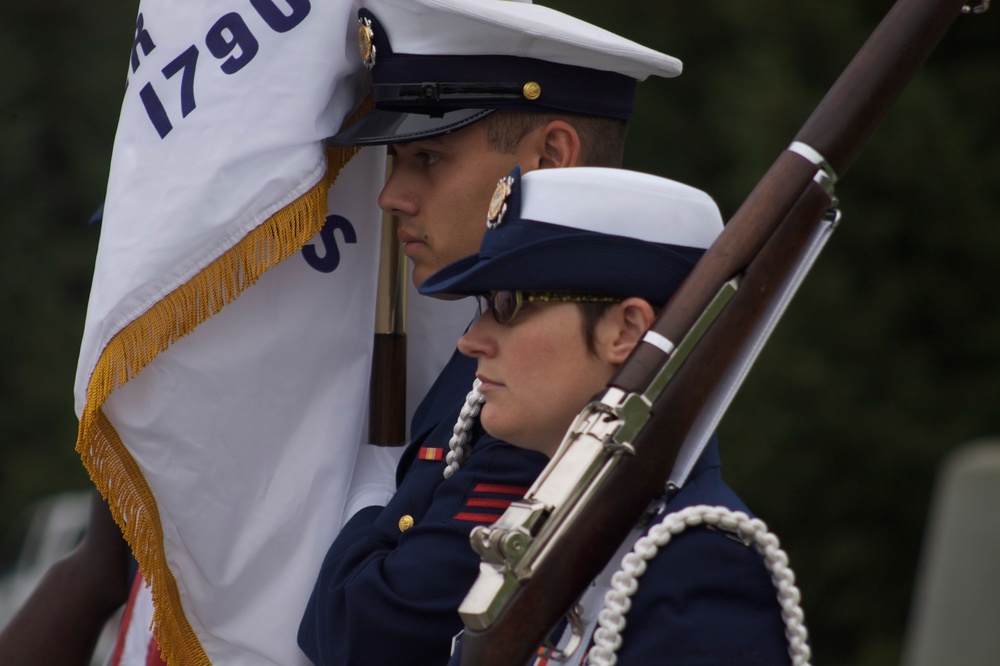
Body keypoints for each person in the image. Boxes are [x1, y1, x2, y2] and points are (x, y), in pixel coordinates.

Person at [297, 0, 687, 663]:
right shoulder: (490, 367)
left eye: (428, 157)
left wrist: (365, 489)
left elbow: (372, 629)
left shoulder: (551, 395)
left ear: (551, 157)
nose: (393, 195)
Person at [419, 166, 792, 665]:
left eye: (508, 303)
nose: (471, 340)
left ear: (627, 331)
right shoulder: (562, 528)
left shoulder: (698, 565)